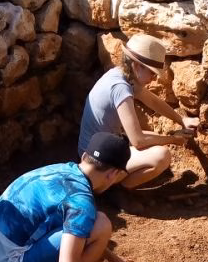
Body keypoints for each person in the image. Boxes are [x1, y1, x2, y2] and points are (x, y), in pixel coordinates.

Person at [0, 132, 138, 262]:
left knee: (84, 226)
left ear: (84, 157)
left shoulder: (61, 171)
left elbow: (75, 231)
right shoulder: (81, 203)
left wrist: (113, 259)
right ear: (113, 174)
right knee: (101, 223)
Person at [78, 33, 200, 189]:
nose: (154, 78)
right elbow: (138, 141)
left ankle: (116, 183)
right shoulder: (121, 88)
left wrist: (181, 120)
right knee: (162, 156)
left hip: (93, 151)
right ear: (137, 66)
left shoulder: (121, 76)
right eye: (152, 72)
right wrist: (173, 139)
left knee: (155, 137)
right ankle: (119, 191)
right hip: (98, 166)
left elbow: (152, 101)